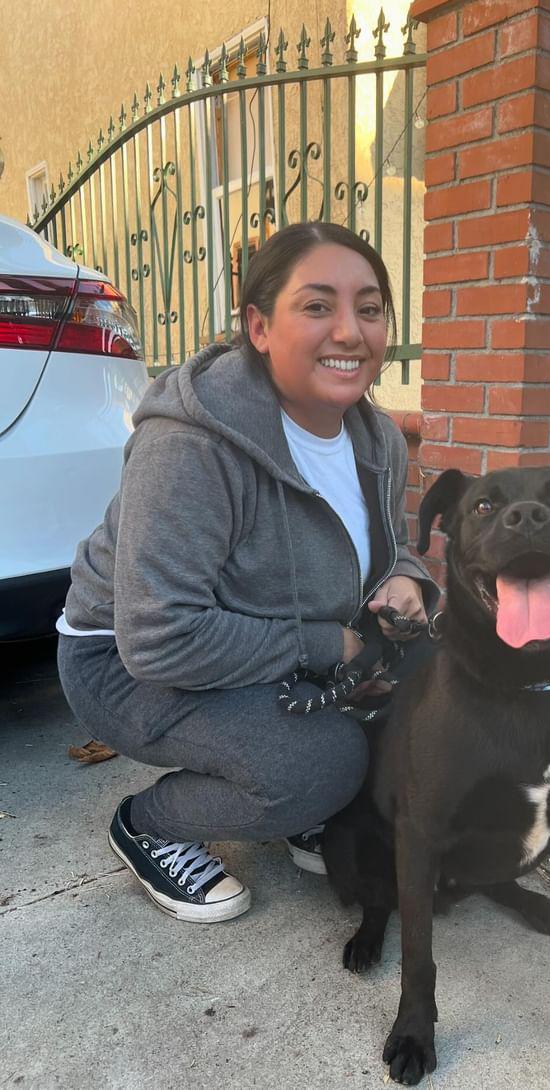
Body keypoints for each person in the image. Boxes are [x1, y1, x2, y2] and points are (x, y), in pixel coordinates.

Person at [57, 221, 439, 924]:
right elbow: (157, 637)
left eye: (370, 307)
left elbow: (385, 550)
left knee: (424, 700)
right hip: (125, 662)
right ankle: (150, 824)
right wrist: (333, 647)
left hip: (259, 640)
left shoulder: (375, 435)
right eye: (317, 306)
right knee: (322, 762)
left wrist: (407, 582)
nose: (350, 331)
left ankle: (293, 802)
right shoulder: (190, 448)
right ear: (258, 326)